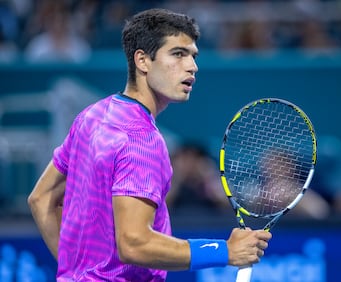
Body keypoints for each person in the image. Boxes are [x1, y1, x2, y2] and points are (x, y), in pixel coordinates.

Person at [27, 8, 271, 281]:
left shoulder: (92, 116)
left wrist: (78, 272)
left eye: (193, 56)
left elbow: (41, 199)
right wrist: (224, 251)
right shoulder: (141, 140)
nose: (192, 66)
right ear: (142, 60)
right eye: (178, 54)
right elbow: (134, 243)